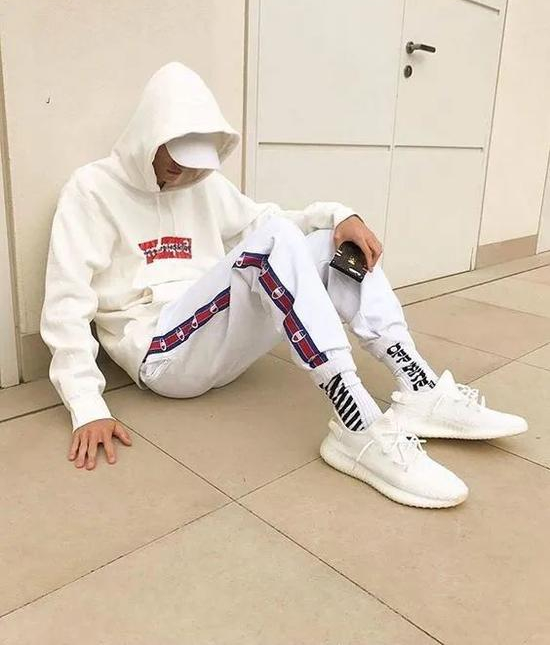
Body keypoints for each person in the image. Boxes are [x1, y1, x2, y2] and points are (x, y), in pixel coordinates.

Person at [40, 62, 527, 508]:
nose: (183, 169)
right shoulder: (92, 190)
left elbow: (268, 220)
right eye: (175, 152)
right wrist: (87, 405)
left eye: (196, 158)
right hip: (161, 355)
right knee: (274, 241)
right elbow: (67, 301)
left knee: (330, 244)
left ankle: (419, 386)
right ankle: (357, 422)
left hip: (215, 342)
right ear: (148, 132)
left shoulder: (203, 185)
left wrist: (340, 216)